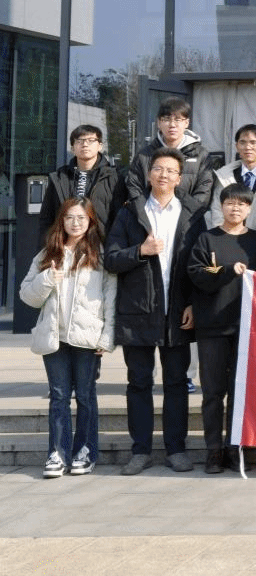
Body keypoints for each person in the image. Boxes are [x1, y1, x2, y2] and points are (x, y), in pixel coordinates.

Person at [105, 147, 203, 475]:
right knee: (139, 382)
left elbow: (199, 263)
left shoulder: (192, 213)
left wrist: (192, 303)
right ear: (149, 175)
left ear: (179, 178)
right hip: (138, 310)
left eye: (170, 170)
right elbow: (111, 259)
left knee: (176, 382)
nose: (164, 175)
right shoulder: (129, 212)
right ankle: (141, 450)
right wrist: (140, 250)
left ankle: (176, 449)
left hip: (177, 311)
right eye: (158, 169)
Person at [20, 198, 116, 478]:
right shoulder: (48, 252)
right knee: (59, 397)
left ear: (91, 222)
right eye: (69, 217)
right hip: (55, 336)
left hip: (87, 335)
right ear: (61, 221)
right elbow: (27, 295)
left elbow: (111, 296)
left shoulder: (100, 254)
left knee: (85, 395)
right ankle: (57, 453)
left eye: (81, 218)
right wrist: (48, 278)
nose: (75, 223)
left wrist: (107, 336)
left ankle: (85, 451)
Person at [186, 183, 256, 474]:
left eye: (241, 204)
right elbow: (196, 273)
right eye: (230, 203)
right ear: (221, 206)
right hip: (212, 326)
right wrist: (228, 270)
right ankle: (213, 451)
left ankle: (235, 449)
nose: (235, 208)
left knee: (239, 392)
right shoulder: (207, 238)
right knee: (212, 393)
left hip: (246, 327)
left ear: (249, 208)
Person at [123, 96, 214, 212]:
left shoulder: (201, 155)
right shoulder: (144, 155)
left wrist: (185, 216)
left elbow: (204, 191)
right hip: (150, 217)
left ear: (186, 123)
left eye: (178, 120)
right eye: (166, 119)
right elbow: (134, 188)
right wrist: (146, 215)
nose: (172, 125)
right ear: (159, 123)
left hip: (188, 219)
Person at [38, 124, 120, 243]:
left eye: (91, 140)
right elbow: (47, 219)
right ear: (73, 148)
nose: (85, 144)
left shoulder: (114, 177)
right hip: (66, 245)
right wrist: (46, 248)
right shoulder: (60, 178)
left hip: (101, 245)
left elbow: (120, 217)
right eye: (79, 141)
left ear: (100, 146)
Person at [207, 124, 256, 232]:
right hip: (229, 238)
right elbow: (217, 211)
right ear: (237, 146)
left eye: (253, 142)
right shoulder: (224, 177)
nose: (248, 147)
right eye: (243, 142)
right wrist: (223, 236)